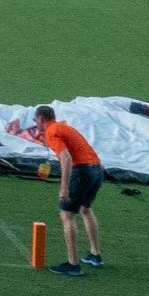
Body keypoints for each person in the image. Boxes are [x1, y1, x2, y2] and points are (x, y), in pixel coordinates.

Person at [34, 104, 105, 275]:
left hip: (83, 171)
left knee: (67, 215)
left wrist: (64, 189)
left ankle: (73, 264)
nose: (36, 124)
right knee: (85, 209)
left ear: (41, 119)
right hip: (97, 169)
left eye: (35, 120)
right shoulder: (64, 127)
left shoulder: (52, 131)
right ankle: (95, 255)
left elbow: (66, 159)